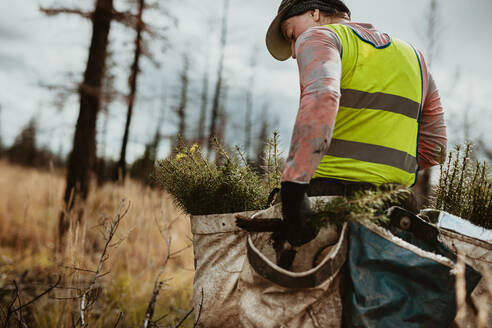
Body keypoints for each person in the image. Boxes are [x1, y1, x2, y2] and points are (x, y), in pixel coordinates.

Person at [266, 0, 447, 246]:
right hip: (397, 212)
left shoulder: (319, 37)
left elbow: (323, 96)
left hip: (327, 203)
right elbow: (435, 148)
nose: (294, 50)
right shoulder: (416, 58)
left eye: (291, 35)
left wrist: (293, 189)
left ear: (314, 12)